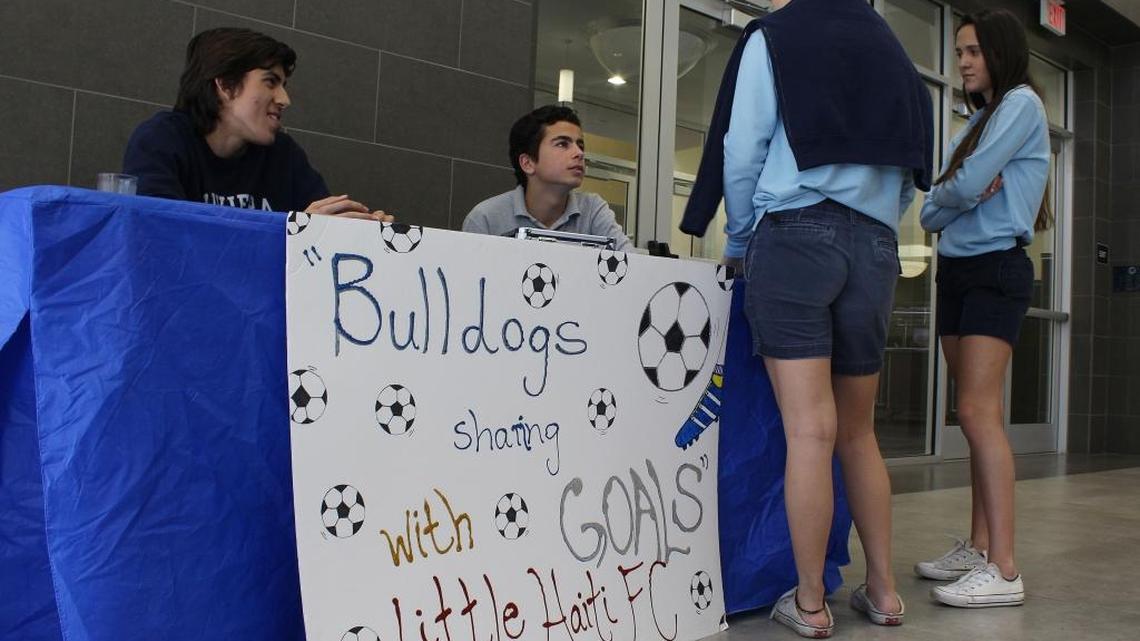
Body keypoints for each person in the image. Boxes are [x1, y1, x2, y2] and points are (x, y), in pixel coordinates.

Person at [680, 0, 932, 636]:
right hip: (876, 246)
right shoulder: (894, 52)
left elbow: (743, 149)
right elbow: (910, 175)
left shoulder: (778, 35)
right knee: (857, 433)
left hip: (792, 236)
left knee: (810, 433)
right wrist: (875, 217)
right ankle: (884, 591)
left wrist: (738, 239)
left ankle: (812, 603)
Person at [916, 8, 1050, 609]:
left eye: (971, 52)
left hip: (997, 265)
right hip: (959, 271)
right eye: (959, 52)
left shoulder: (1021, 104)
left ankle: (1005, 566)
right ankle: (977, 545)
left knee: (977, 411)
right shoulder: (974, 126)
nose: (962, 62)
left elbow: (960, 191)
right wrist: (961, 189)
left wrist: (961, 190)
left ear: (998, 53)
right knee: (969, 415)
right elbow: (929, 212)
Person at [123, 27, 388, 221]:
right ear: (225, 85)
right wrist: (296, 231)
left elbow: (319, 225)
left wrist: (361, 232)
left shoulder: (284, 155)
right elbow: (162, 236)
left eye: (283, 85)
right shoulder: (160, 141)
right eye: (270, 82)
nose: (285, 99)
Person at [462, 105, 631, 251]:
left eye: (580, 145)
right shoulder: (485, 219)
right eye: (562, 144)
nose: (579, 153)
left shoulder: (593, 210)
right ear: (527, 163)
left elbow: (633, 266)